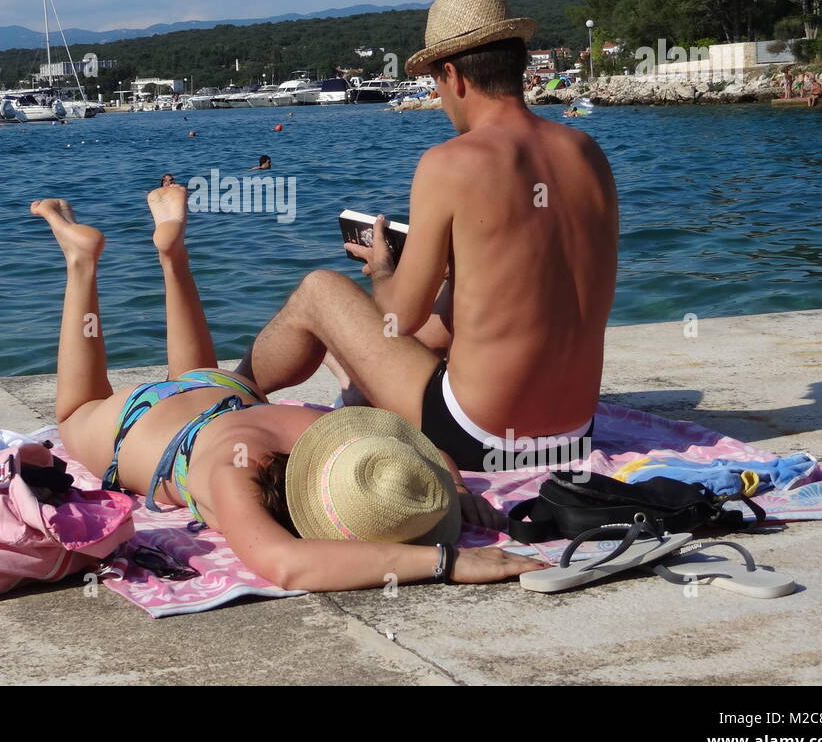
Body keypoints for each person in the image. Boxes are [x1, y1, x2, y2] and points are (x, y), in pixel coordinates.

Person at [27, 186, 541, 591]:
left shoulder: (321, 434)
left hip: (220, 393)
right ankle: (89, 262)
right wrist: (446, 551)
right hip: (154, 425)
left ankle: (150, 254)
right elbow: (288, 559)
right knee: (77, 410)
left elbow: (416, 454)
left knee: (167, 382)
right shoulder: (237, 477)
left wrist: (451, 498)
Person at [237, 0, 618, 474]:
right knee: (455, 294)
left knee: (319, 291)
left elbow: (401, 316)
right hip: (573, 435)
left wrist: (381, 269)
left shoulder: (450, 163)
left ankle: (222, 397)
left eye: (436, 85)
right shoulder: (586, 152)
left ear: (453, 77)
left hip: (478, 439)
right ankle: (347, 386)